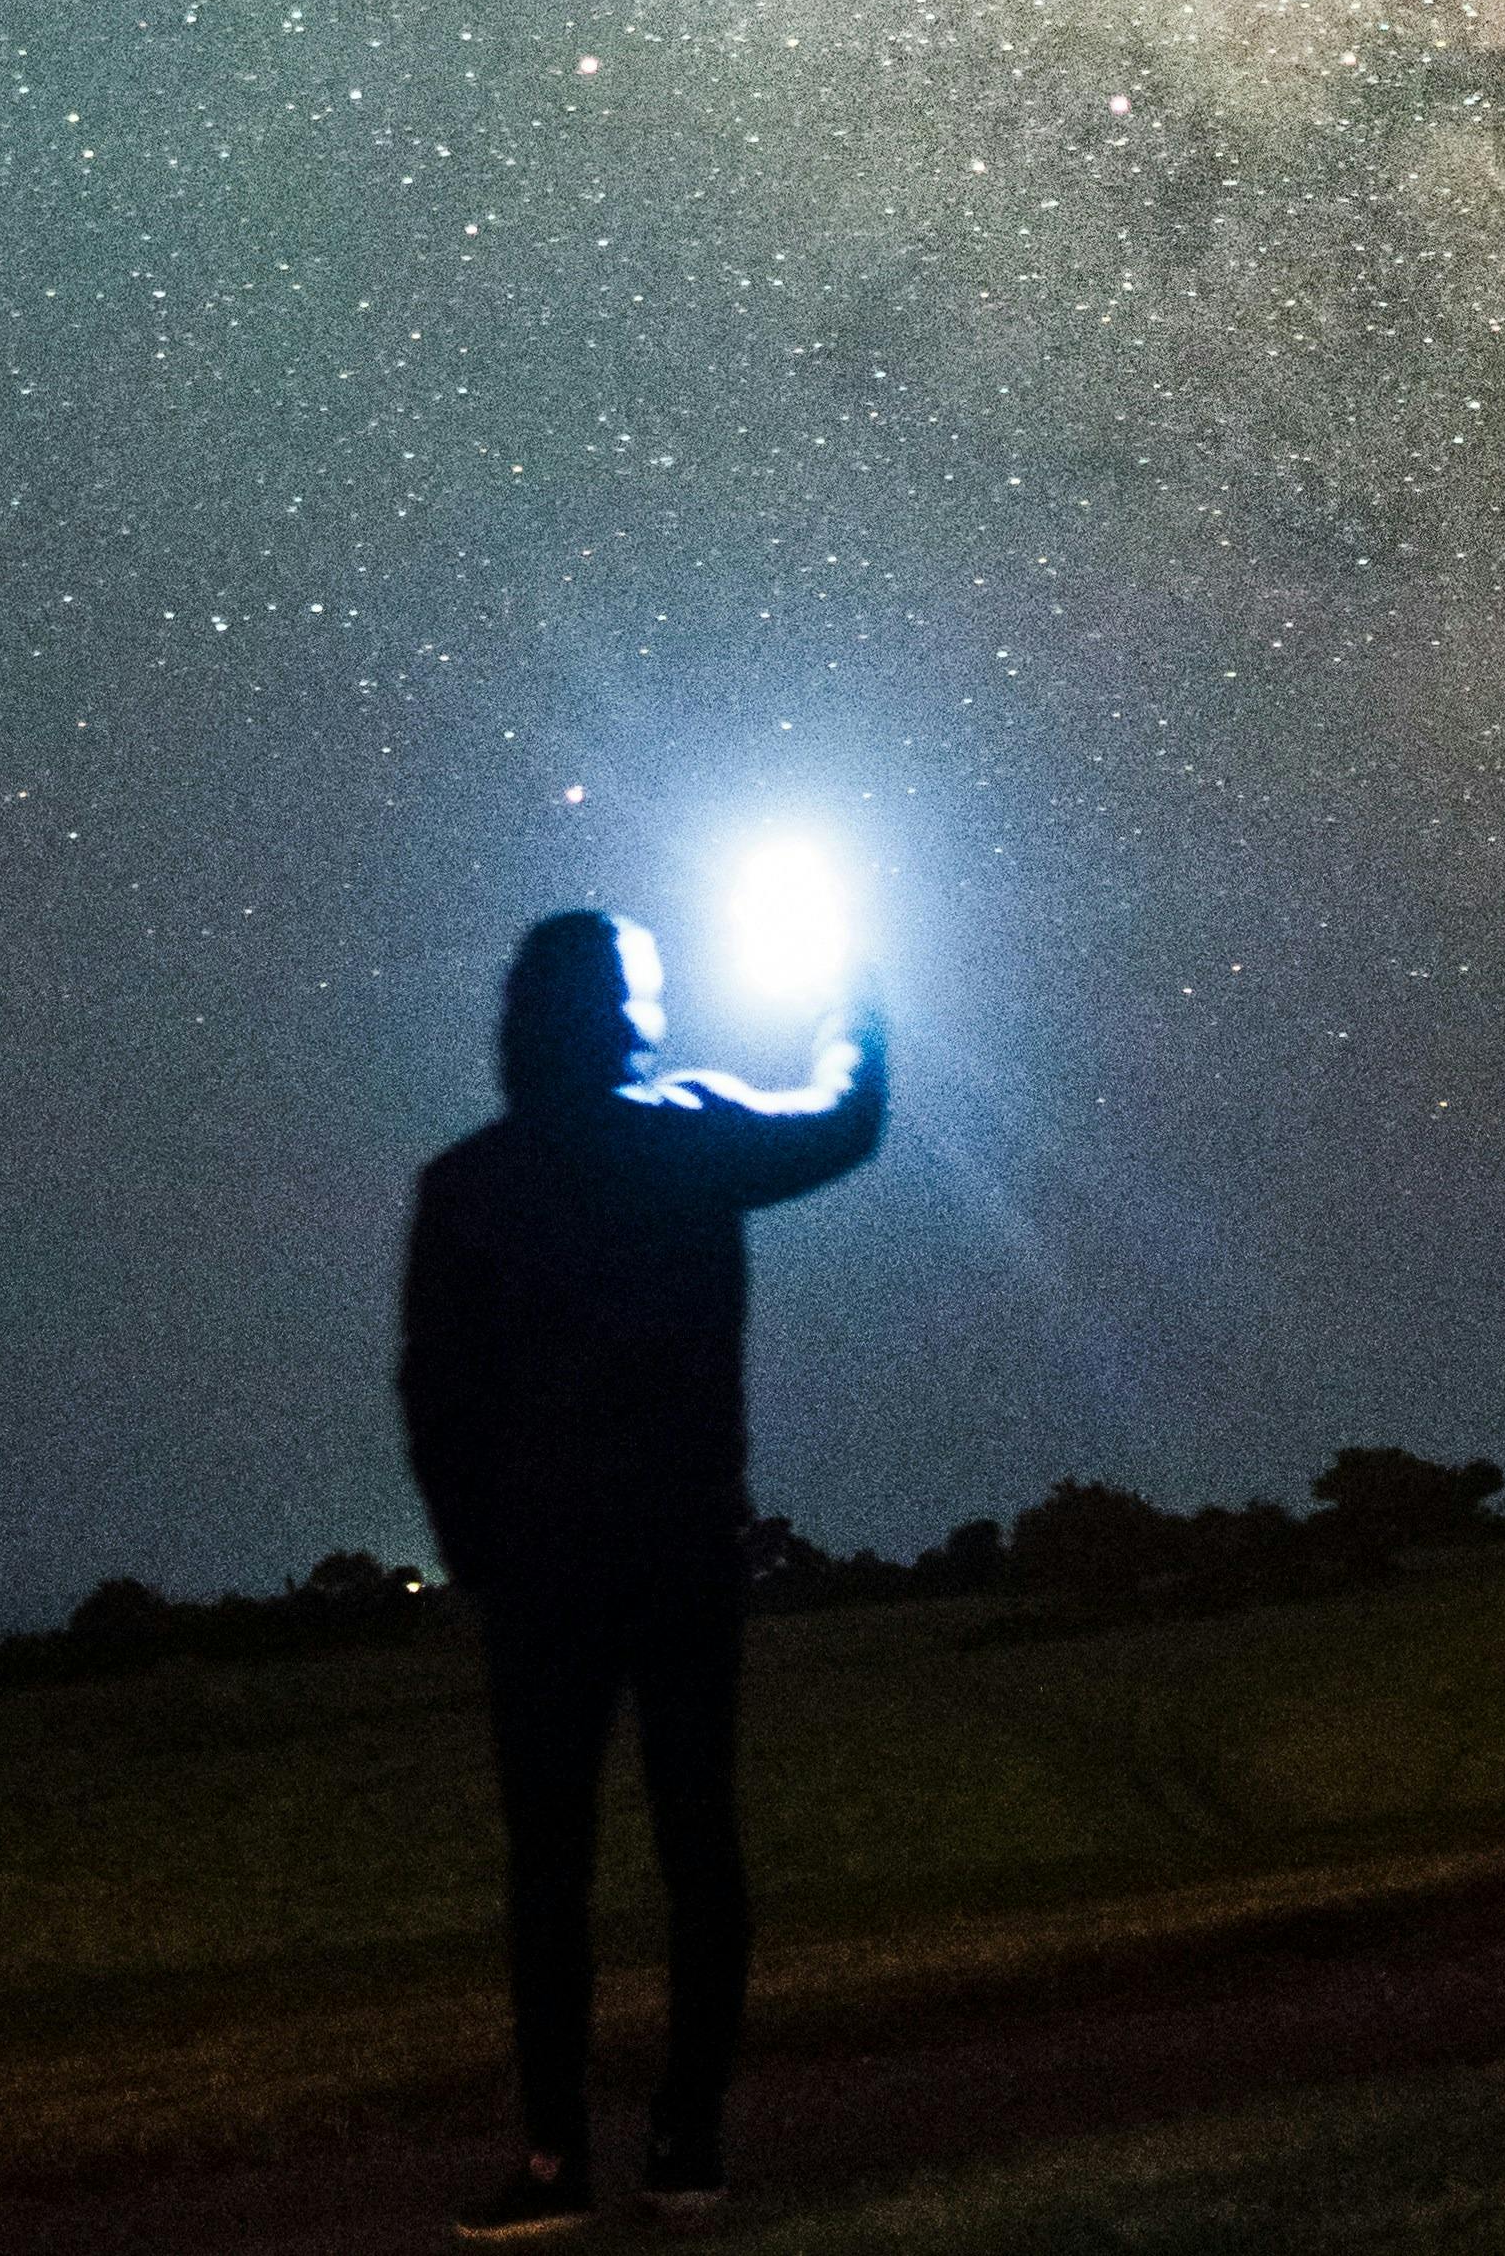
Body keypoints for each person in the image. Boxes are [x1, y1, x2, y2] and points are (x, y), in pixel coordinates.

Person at [398, 903, 888, 2240]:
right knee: (696, 1844)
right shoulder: (688, 1129)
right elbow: (843, 1120)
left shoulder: (467, 1182)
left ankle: (554, 2158)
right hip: (680, 1546)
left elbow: (431, 1396)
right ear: (624, 1004)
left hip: (542, 1574)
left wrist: (480, 1555)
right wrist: (856, 991)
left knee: (548, 1868)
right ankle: (686, 2140)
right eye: (651, 976)